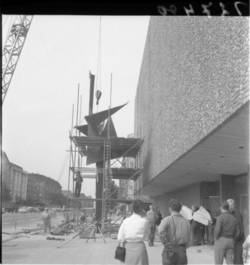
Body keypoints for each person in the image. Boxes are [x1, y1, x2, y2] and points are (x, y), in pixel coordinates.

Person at [159, 199, 191, 265]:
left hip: (169, 249)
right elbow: (189, 239)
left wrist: (165, 243)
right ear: (180, 209)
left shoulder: (167, 220)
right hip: (182, 250)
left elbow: (160, 231)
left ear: (170, 209)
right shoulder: (186, 222)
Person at [117, 199, 150, 265]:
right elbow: (147, 237)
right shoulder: (144, 221)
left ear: (133, 209)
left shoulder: (126, 221)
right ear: (141, 209)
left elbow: (120, 237)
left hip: (127, 248)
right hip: (139, 248)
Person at [214, 201, 239, 265]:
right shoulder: (234, 218)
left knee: (218, 261)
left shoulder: (220, 217)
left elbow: (217, 230)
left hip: (221, 240)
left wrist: (216, 238)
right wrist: (233, 239)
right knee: (230, 262)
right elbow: (237, 232)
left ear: (222, 208)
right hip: (231, 241)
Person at [227, 198, 245, 265]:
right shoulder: (231, 213)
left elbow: (239, 229)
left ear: (233, 205)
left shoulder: (237, 214)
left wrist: (234, 239)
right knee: (235, 258)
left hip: (238, 240)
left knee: (238, 258)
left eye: (229, 205)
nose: (228, 207)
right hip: (235, 239)